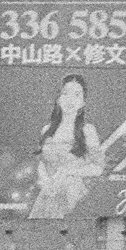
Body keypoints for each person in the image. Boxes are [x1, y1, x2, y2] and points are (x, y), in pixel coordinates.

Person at [22, 74, 103, 218]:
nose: (70, 99)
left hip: (73, 192)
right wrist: (46, 181)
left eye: (77, 95)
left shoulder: (87, 130)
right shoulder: (47, 130)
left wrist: (68, 172)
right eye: (66, 93)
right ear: (58, 99)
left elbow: (97, 167)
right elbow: (42, 163)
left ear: (83, 102)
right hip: (48, 191)